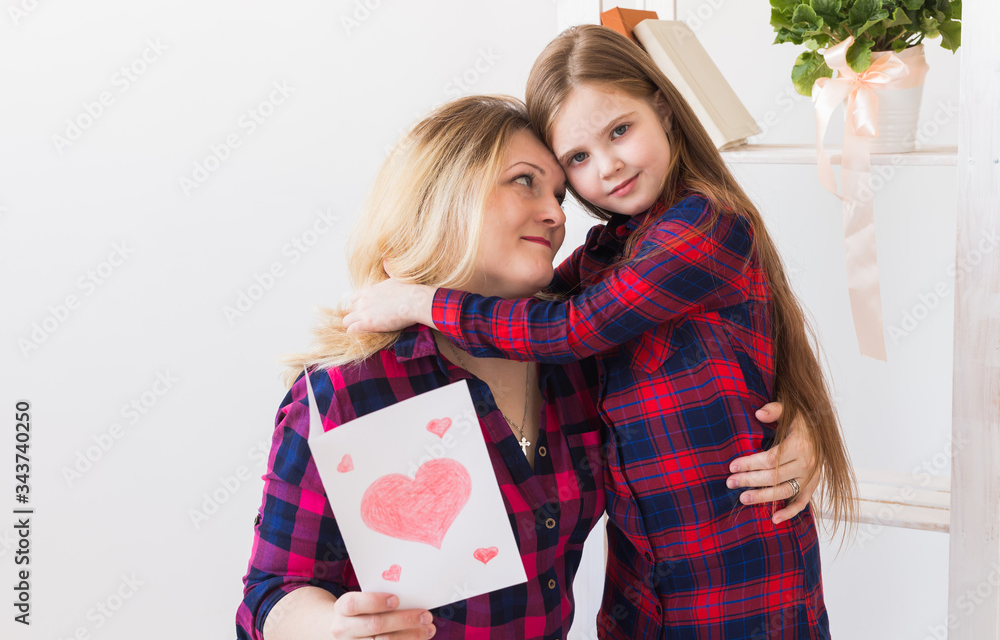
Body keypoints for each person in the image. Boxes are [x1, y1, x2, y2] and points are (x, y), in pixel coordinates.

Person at [237, 94, 818, 640]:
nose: (556, 216)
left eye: (561, 196)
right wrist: (327, 627)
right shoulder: (349, 391)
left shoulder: (579, 364)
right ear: (444, 193)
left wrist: (795, 425)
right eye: (525, 182)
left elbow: (714, 371)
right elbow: (271, 594)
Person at [343, 25, 857, 639]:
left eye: (620, 131)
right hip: (645, 590)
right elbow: (528, 304)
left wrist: (420, 300)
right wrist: (412, 280)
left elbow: (567, 328)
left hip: (743, 583)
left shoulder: (702, 224)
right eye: (577, 160)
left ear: (662, 109)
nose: (607, 167)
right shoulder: (604, 253)